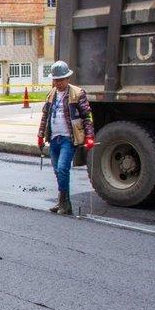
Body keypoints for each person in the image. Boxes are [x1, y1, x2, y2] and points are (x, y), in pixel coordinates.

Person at [37, 61, 95, 215]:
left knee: (63, 168)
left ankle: (66, 204)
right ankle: (62, 201)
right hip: (54, 138)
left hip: (68, 138)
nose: (58, 82)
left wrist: (89, 136)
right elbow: (45, 117)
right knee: (57, 170)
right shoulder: (51, 94)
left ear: (67, 79)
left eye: (61, 79)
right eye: (56, 80)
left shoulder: (77, 93)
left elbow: (86, 116)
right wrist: (40, 135)